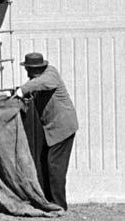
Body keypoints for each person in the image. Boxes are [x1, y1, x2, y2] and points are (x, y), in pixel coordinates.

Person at [14, 52, 78, 211]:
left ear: (32, 69)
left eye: (27, 69)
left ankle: (58, 205)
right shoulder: (36, 80)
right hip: (52, 130)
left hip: (62, 128)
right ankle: (47, 200)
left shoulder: (50, 74)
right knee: (44, 163)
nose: (26, 73)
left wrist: (21, 90)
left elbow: (42, 84)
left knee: (54, 166)